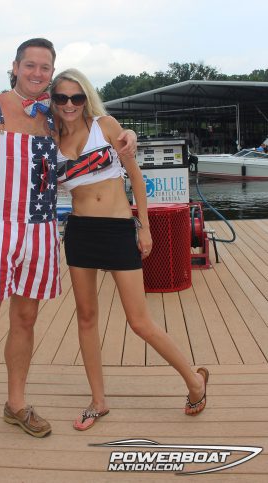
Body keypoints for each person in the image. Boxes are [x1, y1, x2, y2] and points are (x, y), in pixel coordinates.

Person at [0, 38, 140, 457]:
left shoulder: (55, 114)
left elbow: (98, 127)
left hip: (42, 230)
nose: (37, 73)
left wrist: (129, 135)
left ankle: (16, 404)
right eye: (29, 65)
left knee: (26, 319)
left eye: (44, 67)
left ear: (52, 72)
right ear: (15, 67)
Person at [50, 68, 209, 431]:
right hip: (81, 232)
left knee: (139, 322)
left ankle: (194, 381)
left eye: (77, 97)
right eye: (62, 98)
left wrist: (145, 227)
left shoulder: (105, 126)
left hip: (119, 228)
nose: (70, 104)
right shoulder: (51, 138)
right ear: (54, 101)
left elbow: (136, 177)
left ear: (86, 98)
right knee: (86, 318)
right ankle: (98, 401)